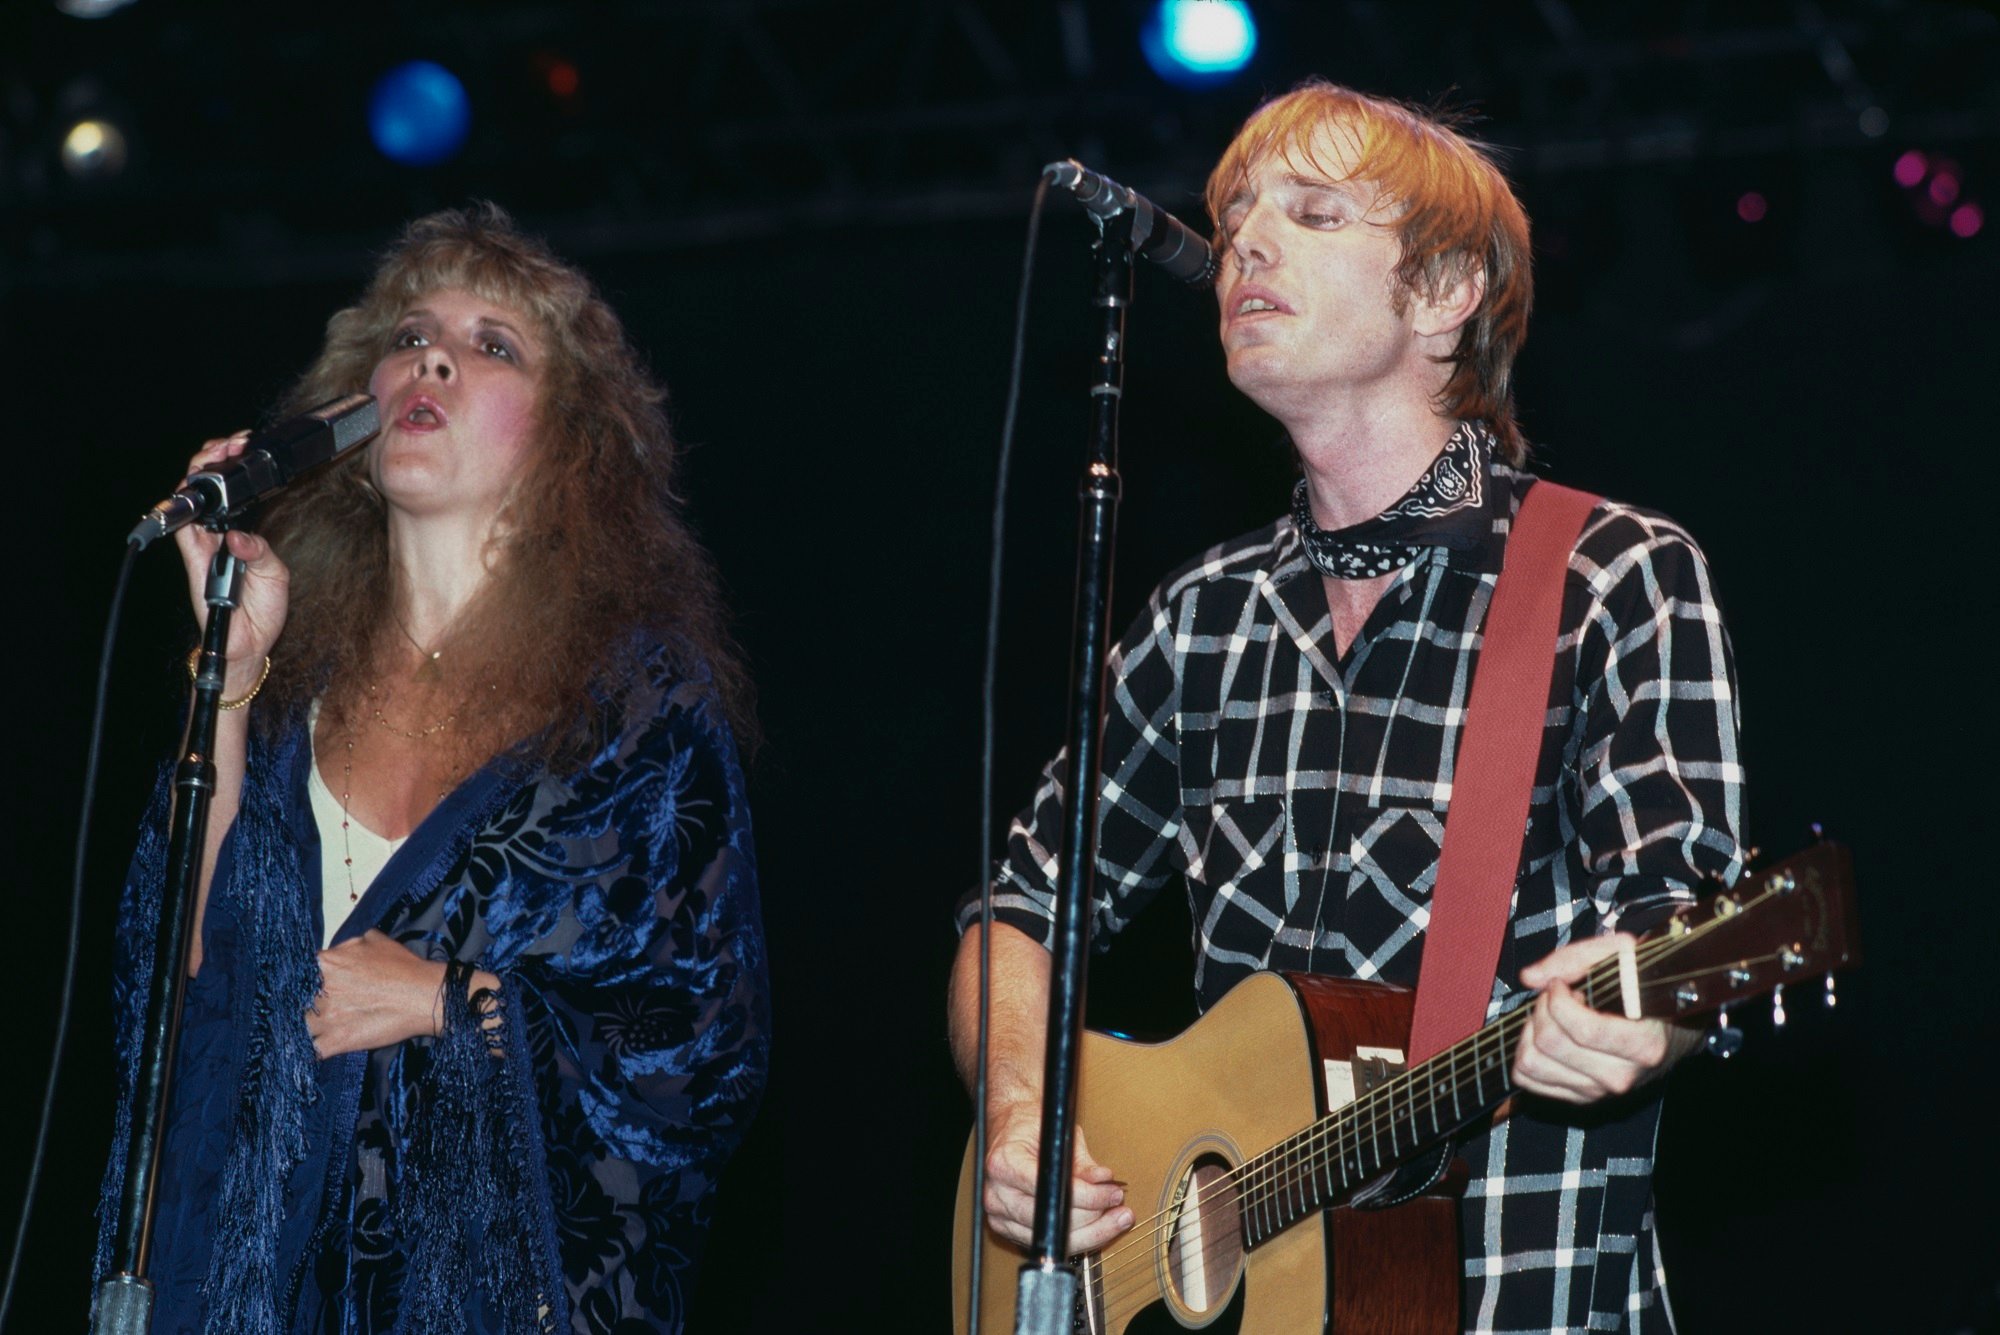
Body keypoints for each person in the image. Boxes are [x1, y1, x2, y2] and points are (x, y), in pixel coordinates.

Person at [949, 80, 1745, 1332]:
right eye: (1237, 215)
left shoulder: (1610, 575)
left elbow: (1679, 925)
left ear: (1441, 296)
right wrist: (1017, 1114)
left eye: (1313, 214)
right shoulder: (1199, 616)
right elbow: (1018, 909)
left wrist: (1654, 1020)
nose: (1246, 243)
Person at [93, 204, 769, 1334]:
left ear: (566, 444)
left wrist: (459, 1005)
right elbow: (173, 980)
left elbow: (703, 1056)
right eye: (408, 338)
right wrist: (231, 673)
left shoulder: (636, 712)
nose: (433, 356)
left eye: (491, 344)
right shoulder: (285, 673)